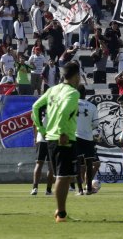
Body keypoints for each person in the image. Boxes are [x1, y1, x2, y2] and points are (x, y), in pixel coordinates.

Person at [31, 61, 82, 223]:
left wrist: (42, 129)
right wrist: (61, 131)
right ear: (76, 76)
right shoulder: (73, 93)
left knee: (64, 176)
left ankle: (62, 211)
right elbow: (65, 110)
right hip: (63, 138)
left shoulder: (53, 89)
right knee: (63, 176)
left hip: (51, 137)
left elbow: (36, 107)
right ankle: (61, 214)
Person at [74, 85, 100, 195]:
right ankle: (89, 188)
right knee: (89, 164)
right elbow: (95, 124)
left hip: (75, 137)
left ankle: (80, 190)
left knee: (78, 164)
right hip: (88, 137)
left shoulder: (72, 105)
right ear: (85, 94)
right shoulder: (92, 106)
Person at [30, 107, 53, 196]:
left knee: (39, 163)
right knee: (50, 165)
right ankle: (48, 190)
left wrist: (35, 138)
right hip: (51, 138)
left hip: (41, 138)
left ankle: (35, 188)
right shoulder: (54, 106)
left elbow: (34, 124)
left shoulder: (38, 108)